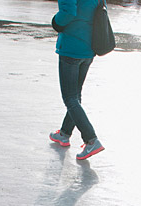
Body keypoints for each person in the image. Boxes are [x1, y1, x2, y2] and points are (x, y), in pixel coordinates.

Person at [49, 0, 104, 161]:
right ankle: (64, 134)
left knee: (70, 98)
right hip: (89, 49)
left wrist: (55, 22)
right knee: (75, 95)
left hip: (71, 48)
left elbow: (67, 13)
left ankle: (91, 140)